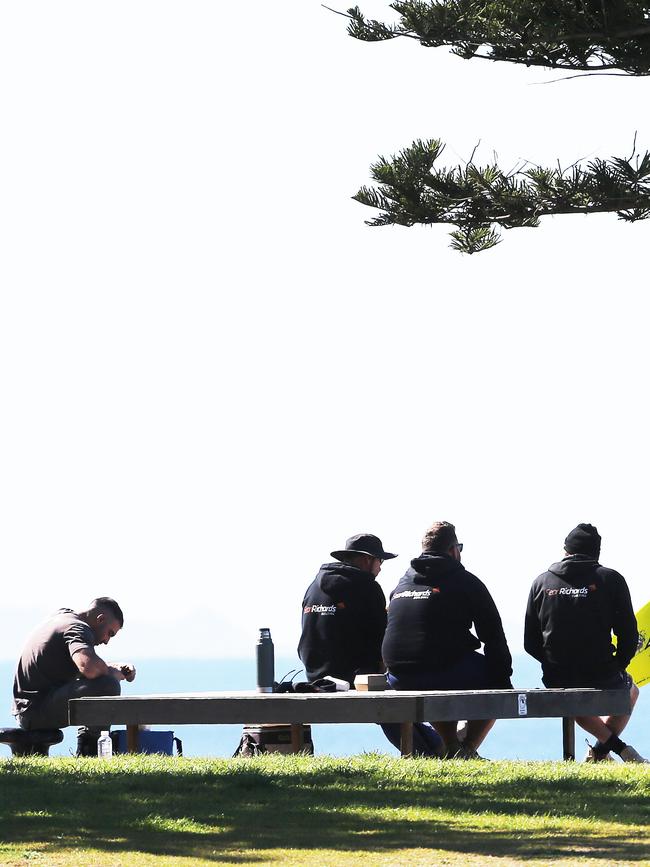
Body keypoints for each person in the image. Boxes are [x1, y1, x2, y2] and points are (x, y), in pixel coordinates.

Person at [298, 533, 443, 756]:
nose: (381, 568)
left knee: (396, 697)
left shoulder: (313, 586)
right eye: (380, 561)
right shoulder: (366, 587)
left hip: (315, 676)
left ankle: (435, 748)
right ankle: (431, 751)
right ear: (367, 560)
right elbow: (383, 641)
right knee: (399, 693)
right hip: (352, 677)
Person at [382, 521, 513, 759]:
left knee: (442, 664)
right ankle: (467, 748)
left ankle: (452, 746)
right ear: (454, 550)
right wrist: (504, 678)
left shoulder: (402, 583)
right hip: (442, 671)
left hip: (398, 677)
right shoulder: (466, 581)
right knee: (493, 678)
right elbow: (493, 635)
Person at [524, 523, 646, 763]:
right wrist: (617, 665)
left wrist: (553, 663)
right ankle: (616, 751)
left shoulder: (541, 582)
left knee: (571, 697)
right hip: (600, 671)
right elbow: (629, 635)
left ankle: (601, 753)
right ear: (596, 553)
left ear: (565, 550)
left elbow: (530, 642)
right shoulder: (610, 579)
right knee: (630, 691)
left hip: (556, 676)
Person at [12, 598, 136, 756]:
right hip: (36, 711)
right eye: (109, 633)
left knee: (105, 679)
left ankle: (89, 747)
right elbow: (88, 667)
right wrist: (113, 674)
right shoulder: (78, 628)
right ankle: (89, 751)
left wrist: (113, 667)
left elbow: (81, 664)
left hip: (27, 708)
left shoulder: (63, 617)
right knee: (108, 685)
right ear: (101, 619)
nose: (106, 641)